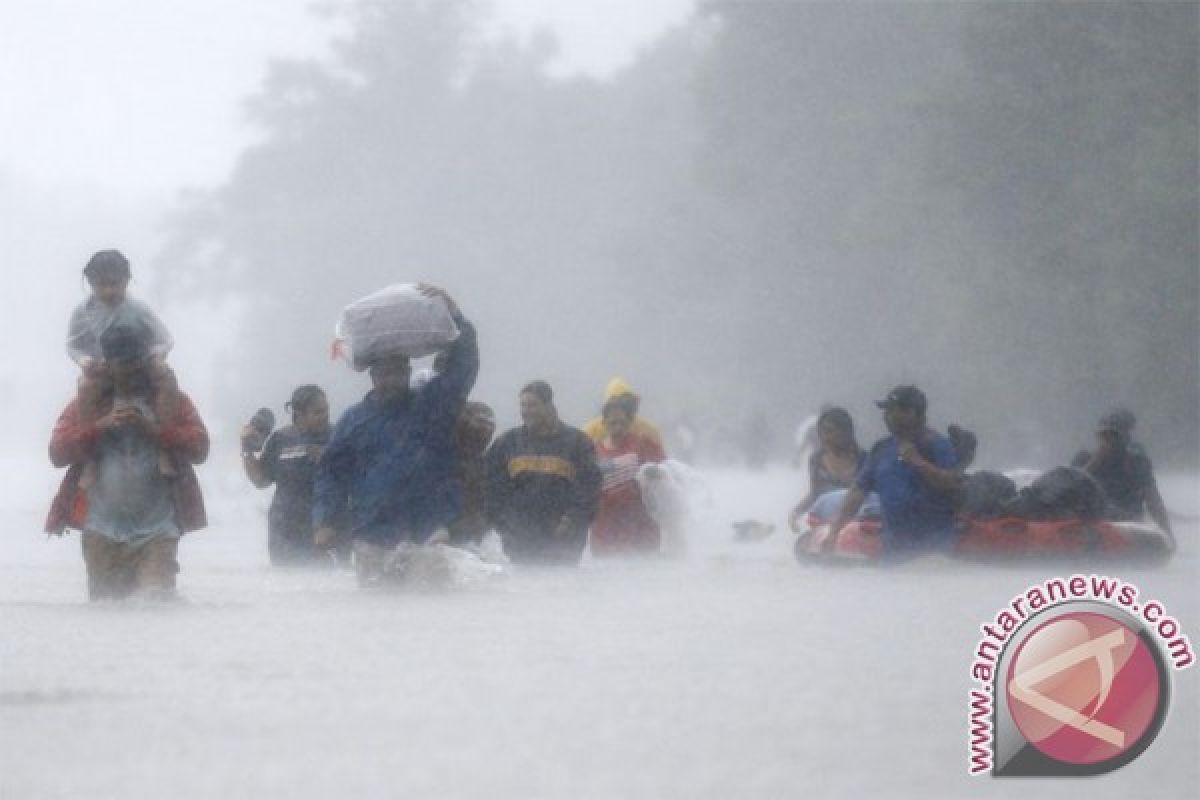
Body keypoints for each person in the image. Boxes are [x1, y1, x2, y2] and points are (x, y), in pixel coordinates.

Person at [312, 285, 478, 587]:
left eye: (397, 373)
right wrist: (325, 520)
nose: (391, 380)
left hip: (427, 530)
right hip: (372, 533)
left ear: (408, 372)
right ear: (372, 377)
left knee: (432, 607)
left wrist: (456, 315)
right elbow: (330, 473)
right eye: (384, 374)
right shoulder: (353, 420)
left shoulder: (432, 406)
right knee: (375, 608)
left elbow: (463, 368)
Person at [45, 320, 209, 600]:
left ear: (147, 360)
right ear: (108, 364)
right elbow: (57, 453)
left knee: (156, 606)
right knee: (106, 615)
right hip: (101, 529)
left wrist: (155, 431)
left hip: (158, 530)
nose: (131, 371)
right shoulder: (88, 402)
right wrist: (100, 426)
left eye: (137, 362)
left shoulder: (171, 400)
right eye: (122, 364)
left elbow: (200, 449)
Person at [67, 249, 178, 483]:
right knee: (85, 385)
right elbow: (73, 346)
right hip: (104, 369)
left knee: (168, 377)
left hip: (140, 364)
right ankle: (91, 458)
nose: (108, 291)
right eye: (101, 285)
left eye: (114, 284)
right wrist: (85, 361)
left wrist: (156, 357)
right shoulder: (83, 312)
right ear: (90, 283)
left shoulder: (138, 309)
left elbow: (165, 338)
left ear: (127, 280)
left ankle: (164, 448)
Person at [828, 386, 961, 558]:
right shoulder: (881, 449)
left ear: (911, 412)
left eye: (891, 411)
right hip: (892, 553)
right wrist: (834, 531)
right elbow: (857, 492)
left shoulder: (937, 445)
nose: (885, 417)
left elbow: (952, 483)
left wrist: (918, 462)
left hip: (935, 553)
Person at [484, 381, 601, 565]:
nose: (526, 411)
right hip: (519, 544)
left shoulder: (577, 442)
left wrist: (571, 521)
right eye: (523, 405)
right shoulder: (507, 443)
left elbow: (590, 489)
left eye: (532, 405)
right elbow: (491, 488)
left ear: (548, 406)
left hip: (563, 544)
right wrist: (505, 525)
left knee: (558, 591)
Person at [241, 385, 336, 566]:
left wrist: (328, 459)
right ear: (299, 414)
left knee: (328, 585)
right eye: (318, 412)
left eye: (326, 410)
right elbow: (261, 481)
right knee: (288, 587)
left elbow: (351, 476)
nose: (326, 416)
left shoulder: (337, 436)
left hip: (326, 529)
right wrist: (247, 450)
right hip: (284, 530)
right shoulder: (281, 439)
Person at [1071, 410, 1173, 546]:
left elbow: (1153, 501)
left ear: (1125, 438)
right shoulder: (1083, 459)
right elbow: (1069, 489)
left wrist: (1167, 533)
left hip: (1126, 522)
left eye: (1114, 436)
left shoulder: (1137, 463)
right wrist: (1096, 462)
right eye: (1104, 436)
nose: (1109, 441)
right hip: (1092, 522)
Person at [591, 395, 667, 557]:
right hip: (605, 528)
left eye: (623, 423)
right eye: (612, 423)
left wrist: (655, 474)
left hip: (640, 527)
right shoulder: (593, 451)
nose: (618, 428)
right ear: (603, 423)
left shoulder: (644, 444)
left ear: (630, 423)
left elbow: (667, 473)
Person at [788, 407, 865, 532]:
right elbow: (815, 493)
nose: (824, 437)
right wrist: (795, 513)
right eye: (822, 432)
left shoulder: (865, 460)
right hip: (825, 524)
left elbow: (870, 497)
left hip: (857, 524)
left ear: (846, 432)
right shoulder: (816, 460)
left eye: (830, 431)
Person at [447, 400, 497, 548]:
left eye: (489, 426)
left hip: (467, 538)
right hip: (440, 533)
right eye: (481, 423)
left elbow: (485, 508)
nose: (485, 430)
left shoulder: (485, 465)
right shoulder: (441, 459)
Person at [581, 377, 663, 448]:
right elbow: (573, 460)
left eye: (627, 405)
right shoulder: (590, 432)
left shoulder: (648, 431)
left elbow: (663, 463)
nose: (621, 411)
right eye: (616, 406)